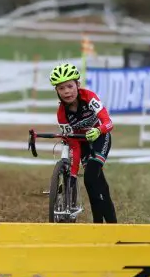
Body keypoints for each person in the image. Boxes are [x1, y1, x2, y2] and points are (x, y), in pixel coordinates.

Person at [50, 62, 117, 224]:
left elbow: (108, 122)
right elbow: (74, 144)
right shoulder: (61, 114)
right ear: (57, 91)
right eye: (61, 88)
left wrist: (99, 130)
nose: (66, 92)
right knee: (96, 183)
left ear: (77, 85)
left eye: (70, 86)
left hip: (101, 137)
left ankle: (103, 224)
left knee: (91, 177)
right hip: (83, 142)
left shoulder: (89, 97)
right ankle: (104, 224)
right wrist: (73, 173)